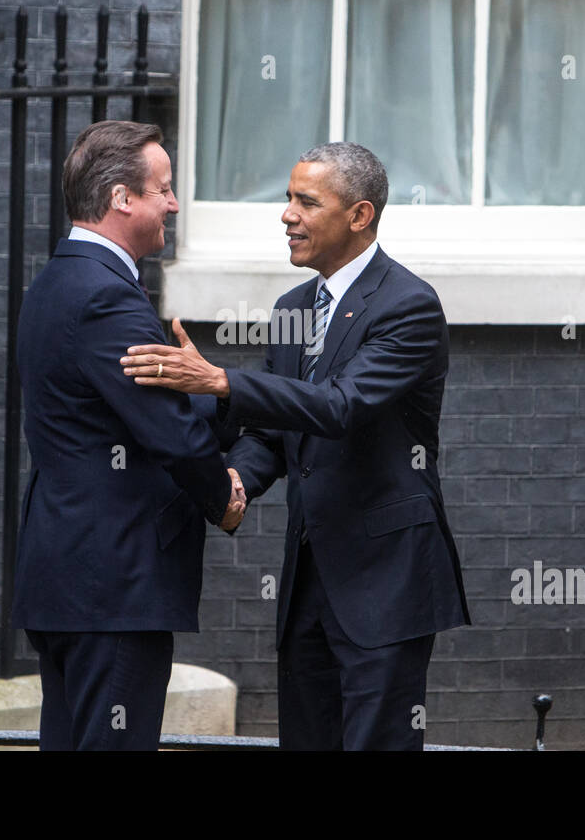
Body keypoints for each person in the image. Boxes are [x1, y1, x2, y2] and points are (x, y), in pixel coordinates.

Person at [120, 142, 470, 750]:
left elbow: (340, 407)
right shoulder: (293, 308)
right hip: (309, 583)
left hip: (385, 581)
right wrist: (234, 483)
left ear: (359, 216)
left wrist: (221, 381)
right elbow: (273, 435)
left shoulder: (408, 305)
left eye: (307, 201)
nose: (287, 214)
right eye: (288, 198)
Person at [12, 120, 245, 751]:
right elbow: (168, 433)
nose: (173, 203)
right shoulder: (107, 298)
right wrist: (221, 496)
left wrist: (210, 393)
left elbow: (132, 416)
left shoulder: (56, 283)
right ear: (121, 198)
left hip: (70, 578)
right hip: (112, 584)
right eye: (163, 189)